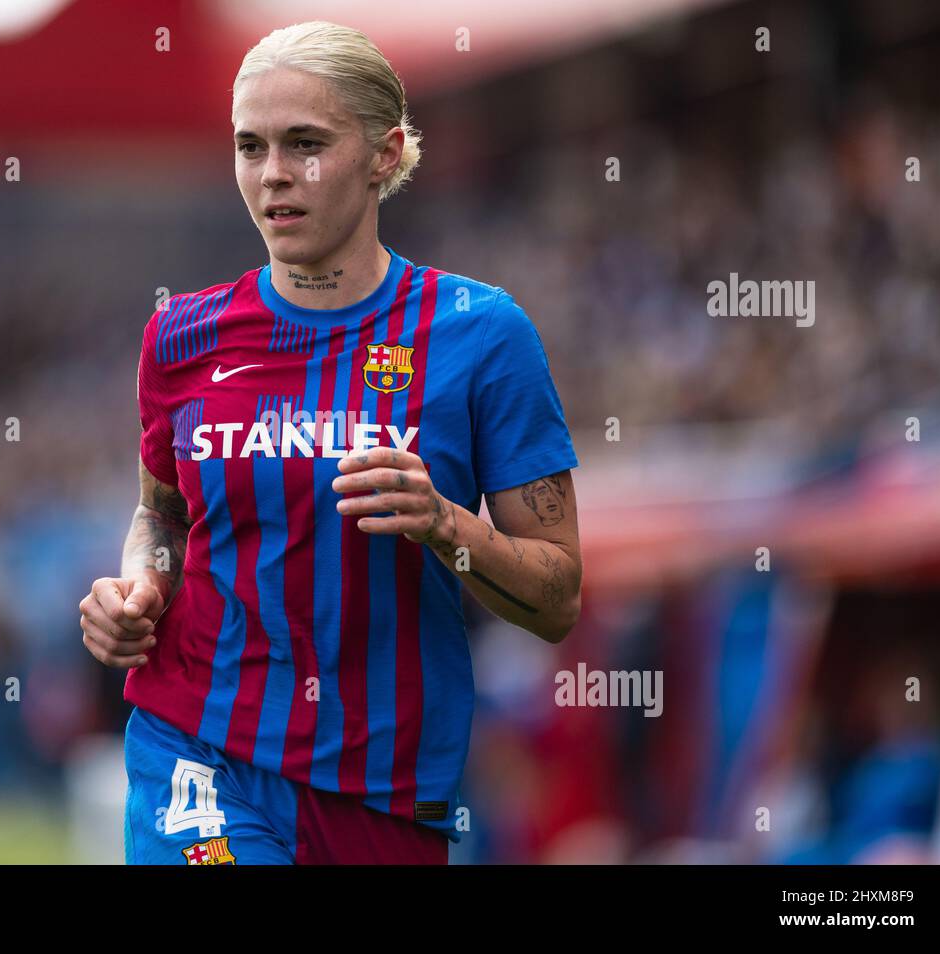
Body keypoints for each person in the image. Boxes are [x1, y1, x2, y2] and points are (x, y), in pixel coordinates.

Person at [79, 20, 582, 865]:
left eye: (305, 143)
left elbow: (560, 597)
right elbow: (158, 517)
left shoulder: (481, 335)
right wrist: (137, 594)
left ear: (385, 155)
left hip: (384, 791)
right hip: (200, 749)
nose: (273, 174)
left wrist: (446, 525)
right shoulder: (180, 335)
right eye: (251, 145)